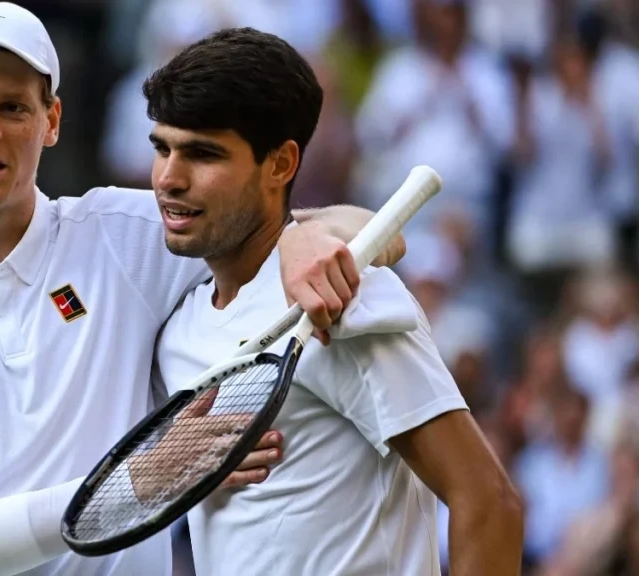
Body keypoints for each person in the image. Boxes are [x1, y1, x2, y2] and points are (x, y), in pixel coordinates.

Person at [0, 3, 403, 576]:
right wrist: (137, 480)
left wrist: (301, 236)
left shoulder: (126, 238)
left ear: (51, 120)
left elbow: (382, 235)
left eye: (13, 108)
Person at [143, 28, 524, 575]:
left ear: (280, 164)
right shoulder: (178, 328)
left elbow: (487, 503)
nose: (170, 178)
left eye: (203, 154)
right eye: (162, 148)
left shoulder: (346, 300)